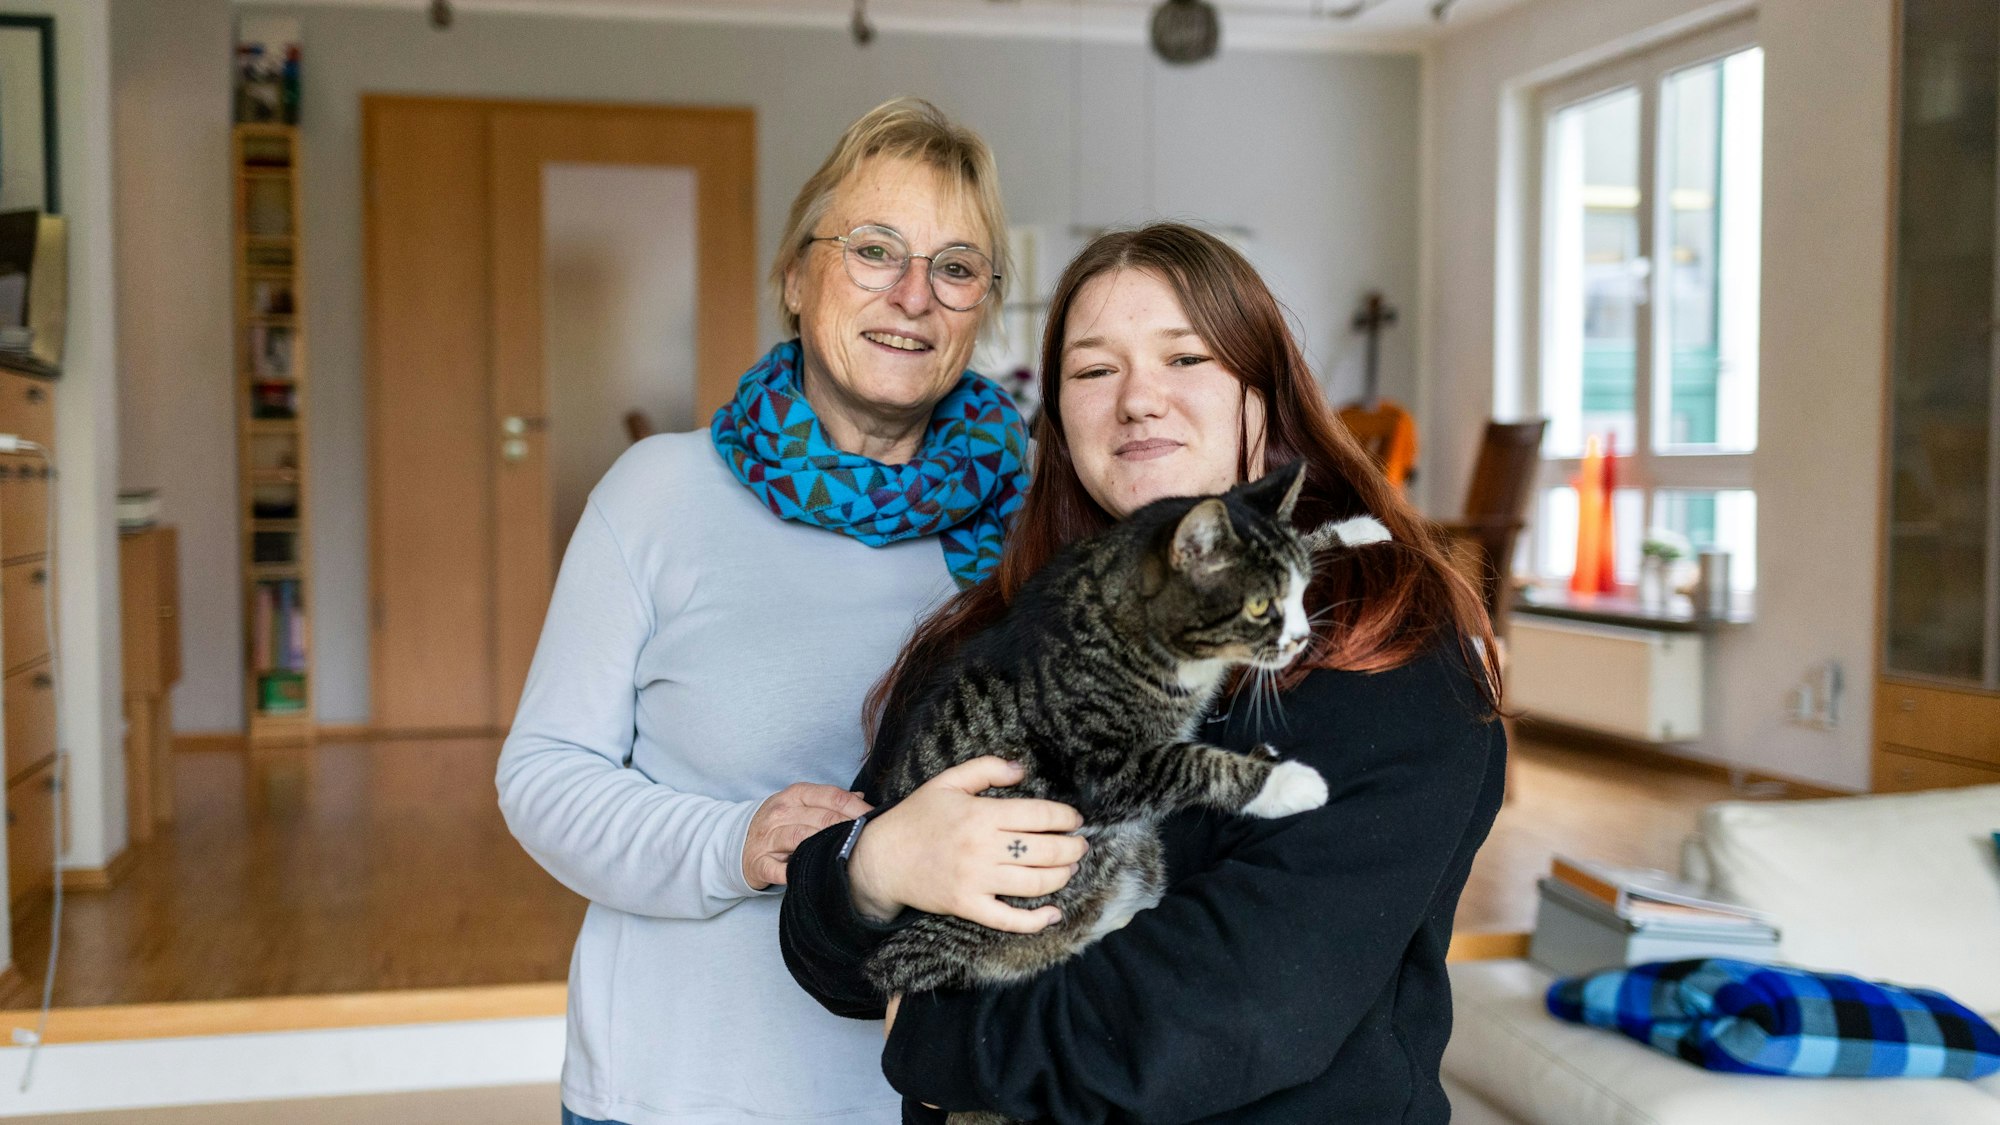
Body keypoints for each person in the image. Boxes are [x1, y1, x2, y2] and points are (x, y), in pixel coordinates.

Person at [779, 222, 1506, 1124]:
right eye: (1094, 370)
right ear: (1059, 417)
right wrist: (875, 867)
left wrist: (940, 1042)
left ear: (1263, 391)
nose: (1138, 401)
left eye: (1186, 357)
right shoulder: (992, 635)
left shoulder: (1392, 652)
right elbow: (828, 953)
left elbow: (1236, 1008)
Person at [496, 97, 1043, 1125]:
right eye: (873, 250)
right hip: (669, 1090)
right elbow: (543, 777)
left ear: (982, 308)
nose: (912, 295)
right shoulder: (660, 493)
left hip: (928, 1094)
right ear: (795, 277)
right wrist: (736, 840)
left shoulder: (1028, 538)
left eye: (956, 266)